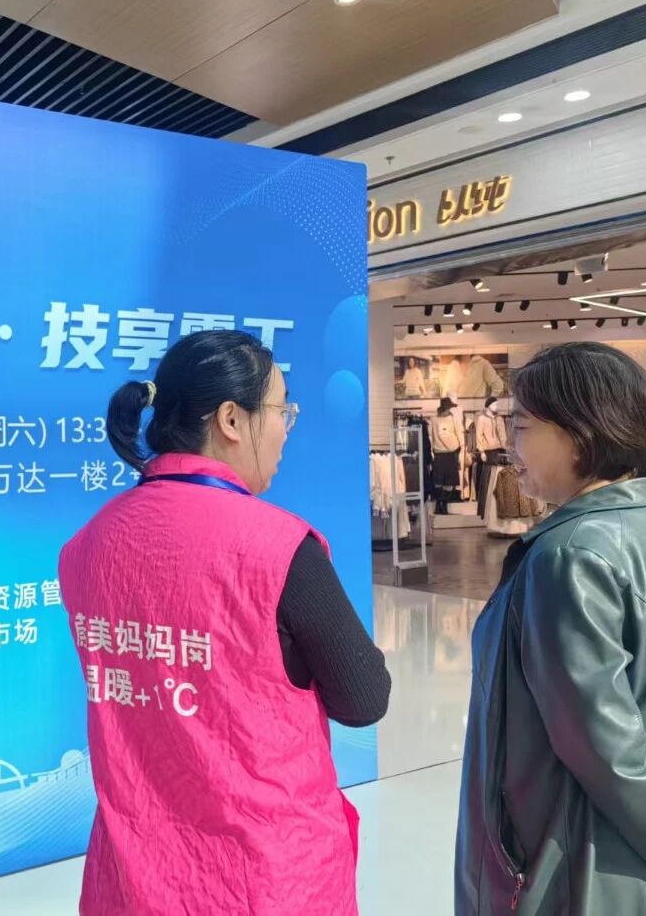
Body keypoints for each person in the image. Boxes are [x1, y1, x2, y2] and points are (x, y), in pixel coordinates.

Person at [60, 330, 390, 916]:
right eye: (281, 410)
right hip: (261, 878)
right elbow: (364, 698)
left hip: (131, 879)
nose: (286, 427)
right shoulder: (279, 547)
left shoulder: (88, 543)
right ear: (232, 420)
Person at [456, 342, 646, 916]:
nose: (509, 445)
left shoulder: (570, 556)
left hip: (582, 873)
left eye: (521, 426)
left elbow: (606, 750)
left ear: (579, 434)